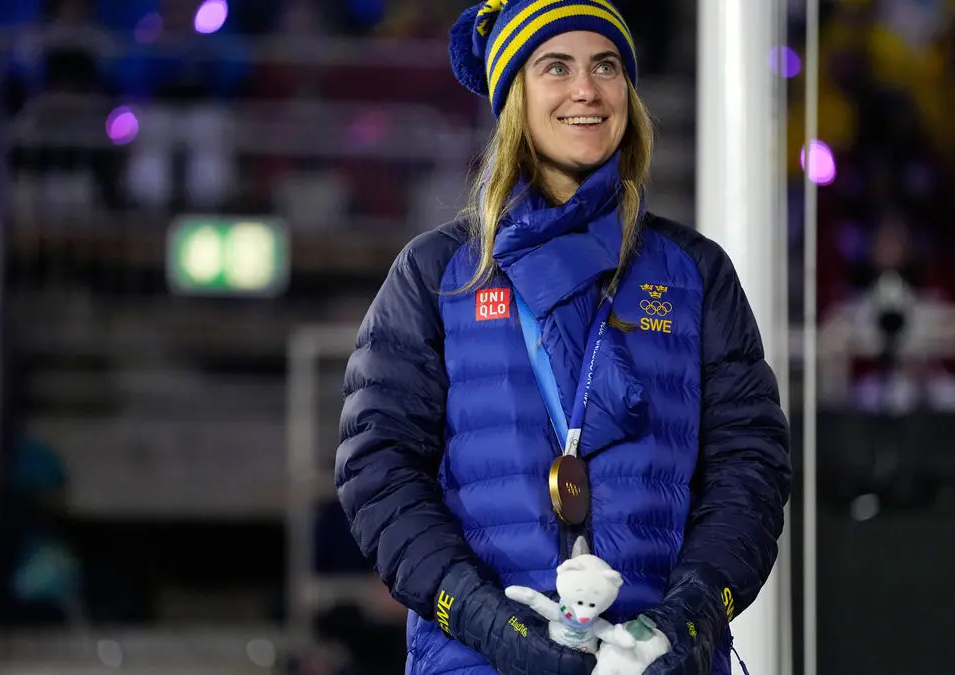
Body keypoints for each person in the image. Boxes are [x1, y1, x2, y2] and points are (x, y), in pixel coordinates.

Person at [335, 1, 792, 673]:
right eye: (556, 66)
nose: (587, 89)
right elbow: (378, 474)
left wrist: (683, 621)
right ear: (515, 93)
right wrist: (488, 624)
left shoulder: (694, 272)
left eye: (606, 66)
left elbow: (749, 469)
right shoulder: (437, 274)